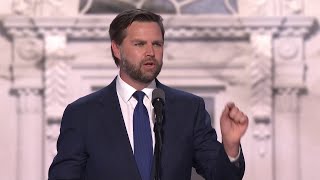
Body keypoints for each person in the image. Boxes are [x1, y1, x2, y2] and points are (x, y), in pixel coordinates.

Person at [48, 9, 249, 180]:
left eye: (157, 44)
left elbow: (221, 176)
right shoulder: (82, 114)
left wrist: (230, 147)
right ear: (117, 49)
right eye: (139, 44)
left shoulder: (189, 109)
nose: (151, 52)